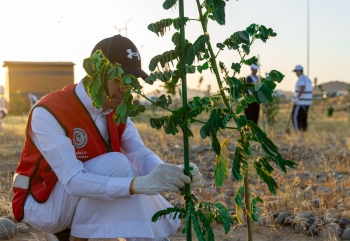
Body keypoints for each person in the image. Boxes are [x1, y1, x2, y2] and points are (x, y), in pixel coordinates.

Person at [12, 35, 202, 241]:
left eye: (132, 79)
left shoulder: (117, 109)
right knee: (117, 164)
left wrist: (169, 173)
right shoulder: (49, 111)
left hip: (79, 200)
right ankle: (79, 236)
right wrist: (136, 185)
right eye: (119, 77)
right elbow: (74, 181)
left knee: (125, 169)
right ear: (96, 74)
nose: (126, 87)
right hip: (42, 205)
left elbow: (138, 152)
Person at [291, 65, 313, 132]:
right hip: (307, 102)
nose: (296, 73)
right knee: (303, 118)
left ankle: (298, 132)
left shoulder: (301, 78)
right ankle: (304, 132)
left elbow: (302, 87)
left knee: (295, 117)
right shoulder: (307, 78)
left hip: (301, 102)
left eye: (296, 71)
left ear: (299, 71)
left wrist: (297, 97)